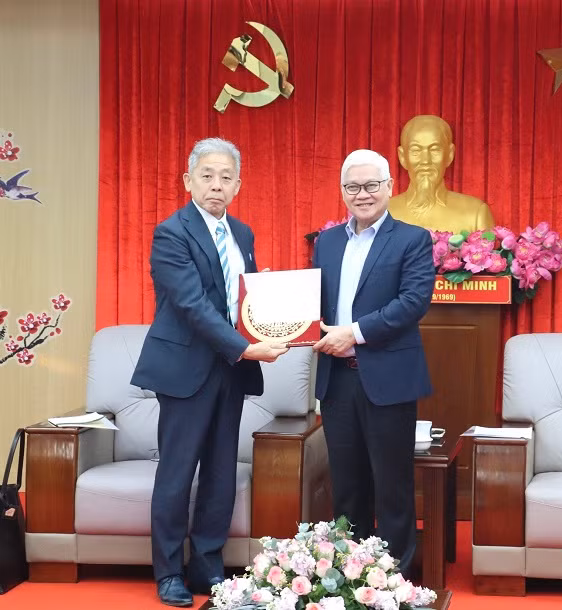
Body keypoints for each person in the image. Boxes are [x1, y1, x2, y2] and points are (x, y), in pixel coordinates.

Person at [131, 137, 288, 607]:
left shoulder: (243, 234)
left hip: (230, 370)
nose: (216, 186)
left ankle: (207, 565)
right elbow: (193, 307)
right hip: (186, 369)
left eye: (225, 178)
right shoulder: (171, 232)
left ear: (238, 185)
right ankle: (168, 573)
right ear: (188, 181)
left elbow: (245, 299)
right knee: (177, 474)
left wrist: (276, 316)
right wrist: (247, 347)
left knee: (221, 472)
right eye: (207, 176)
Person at [312, 149, 435, 575]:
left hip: (388, 378)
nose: (361, 194)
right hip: (337, 381)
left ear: (389, 187)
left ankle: (393, 581)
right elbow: (316, 306)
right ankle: (349, 576)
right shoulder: (326, 241)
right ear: (342, 190)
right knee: (346, 486)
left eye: (370, 185)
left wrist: (356, 332)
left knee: (393, 486)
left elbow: (413, 303)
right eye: (352, 186)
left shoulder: (412, 239)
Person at [389, 114, 495, 233]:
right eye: (416, 150)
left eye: (434, 149)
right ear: (402, 157)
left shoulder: (475, 213)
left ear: (449, 155)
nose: (425, 161)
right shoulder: (383, 213)